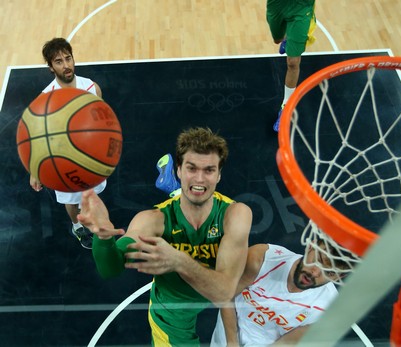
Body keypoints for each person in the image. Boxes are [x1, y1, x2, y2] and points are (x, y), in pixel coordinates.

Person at [78, 127, 253, 346]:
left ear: (219, 174)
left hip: (218, 290)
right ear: (178, 170)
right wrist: (102, 238)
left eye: (209, 170)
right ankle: (177, 191)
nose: (200, 177)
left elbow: (224, 292)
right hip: (172, 309)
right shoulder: (154, 220)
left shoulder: (234, 214)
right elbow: (110, 269)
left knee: (195, 192)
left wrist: (178, 260)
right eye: (191, 168)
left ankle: (177, 191)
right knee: (195, 192)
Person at [29, 37, 106, 249]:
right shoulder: (45, 99)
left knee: (92, 193)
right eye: (59, 61)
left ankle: (91, 216)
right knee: (71, 200)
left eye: (68, 58)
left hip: (90, 157)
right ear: (51, 67)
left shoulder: (91, 87)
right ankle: (77, 226)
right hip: (62, 161)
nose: (66, 65)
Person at [210, 241, 354, 346]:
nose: (315, 272)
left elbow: (287, 343)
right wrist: (232, 342)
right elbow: (226, 296)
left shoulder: (328, 309)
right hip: (227, 334)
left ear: (338, 278)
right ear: (311, 245)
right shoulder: (261, 259)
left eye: (329, 273)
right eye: (318, 260)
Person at [268, 0, 317, 132]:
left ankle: (286, 107)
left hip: (301, 7)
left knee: (293, 62)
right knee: (276, 39)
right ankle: (286, 37)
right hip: (277, 4)